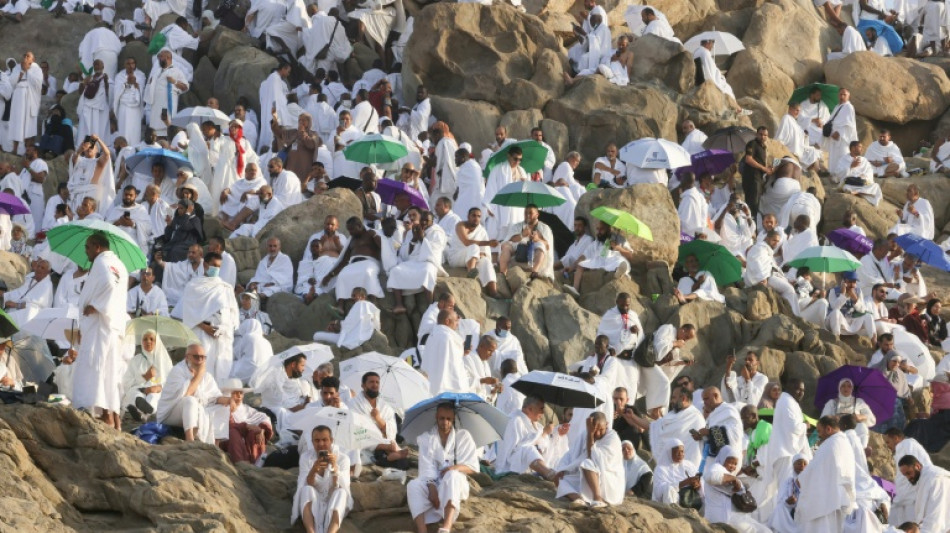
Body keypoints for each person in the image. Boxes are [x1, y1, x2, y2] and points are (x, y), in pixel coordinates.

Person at [71, 233, 129, 429]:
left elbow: (110, 287)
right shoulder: (119, 264)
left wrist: (96, 305)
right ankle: (110, 415)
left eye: (87, 247)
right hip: (111, 326)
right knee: (109, 371)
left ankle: (102, 413)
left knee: (96, 367)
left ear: (97, 247)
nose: (85, 252)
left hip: (101, 325)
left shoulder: (102, 264)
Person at [407, 402, 478, 533]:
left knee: (453, 475)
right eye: (442, 418)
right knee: (413, 485)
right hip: (433, 481)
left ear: (453, 419)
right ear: (436, 417)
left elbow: (472, 467)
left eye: (448, 419)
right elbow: (425, 467)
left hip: (455, 483)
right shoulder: (426, 438)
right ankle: (422, 530)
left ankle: (446, 527)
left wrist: (454, 468)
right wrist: (431, 486)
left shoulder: (463, 436)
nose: (445, 422)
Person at [177, 252, 240, 385]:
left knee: (221, 369)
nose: (216, 269)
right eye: (214, 265)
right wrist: (206, 327)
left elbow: (233, 313)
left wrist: (224, 328)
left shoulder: (225, 288)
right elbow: (188, 312)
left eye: (219, 266)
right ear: (205, 265)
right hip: (201, 332)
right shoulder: (193, 286)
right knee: (202, 366)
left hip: (221, 335)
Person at [157, 342, 229, 443]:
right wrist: (199, 374)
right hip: (170, 413)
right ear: (187, 357)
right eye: (196, 356)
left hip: (195, 410)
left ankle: (216, 443)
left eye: (203, 357)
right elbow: (186, 394)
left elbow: (214, 397)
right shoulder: (178, 371)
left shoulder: (207, 376)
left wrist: (228, 400)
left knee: (224, 407)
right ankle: (190, 439)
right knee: (190, 401)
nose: (200, 360)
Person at [796, 416, 857, 532]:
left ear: (828, 429)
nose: (818, 435)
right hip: (836, 499)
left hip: (825, 501)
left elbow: (815, 469)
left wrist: (801, 479)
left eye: (819, 431)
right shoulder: (844, 443)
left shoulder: (830, 444)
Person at [554, 411, 624, 508]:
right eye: (595, 430)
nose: (598, 433)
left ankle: (597, 498)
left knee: (587, 463)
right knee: (559, 479)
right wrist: (562, 469)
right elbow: (570, 454)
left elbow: (594, 458)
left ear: (607, 425)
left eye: (601, 430)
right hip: (586, 475)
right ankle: (578, 499)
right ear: (589, 426)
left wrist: (591, 434)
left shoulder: (612, 437)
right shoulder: (584, 434)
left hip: (607, 478)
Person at [291, 425, 353, 533]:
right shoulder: (306, 457)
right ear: (312, 441)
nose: (320, 444)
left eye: (324, 440)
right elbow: (305, 483)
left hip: (333, 498)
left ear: (331, 440)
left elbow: (340, 485)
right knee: (306, 490)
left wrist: (334, 468)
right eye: (317, 440)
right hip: (315, 497)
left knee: (341, 492)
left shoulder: (343, 459)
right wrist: (314, 469)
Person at [389, 211, 447, 313]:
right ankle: (399, 304)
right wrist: (414, 239)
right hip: (412, 261)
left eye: (427, 220)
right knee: (395, 271)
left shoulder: (437, 232)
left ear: (432, 221)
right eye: (422, 220)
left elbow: (434, 252)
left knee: (427, 272)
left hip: (428, 261)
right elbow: (405, 252)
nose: (424, 222)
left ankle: (430, 305)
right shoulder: (412, 231)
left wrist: (421, 238)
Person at [321, 217, 384, 310]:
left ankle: (373, 300)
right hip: (353, 264)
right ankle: (340, 306)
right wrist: (330, 275)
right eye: (348, 230)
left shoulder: (371, 234)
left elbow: (384, 247)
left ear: (359, 226)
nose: (350, 232)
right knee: (342, 275)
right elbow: (344, 261)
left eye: (352, 229)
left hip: (370, 262)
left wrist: (375, 235)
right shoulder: (352, 240)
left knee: (367, 272)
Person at [703, 445, 771, 532]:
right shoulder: (716, 468)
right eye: (730, 462)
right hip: (723, 518)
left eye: (735, 464)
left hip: (734, 516)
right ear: (723, 458)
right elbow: (710, 477)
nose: (733, 466)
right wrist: (734, 479)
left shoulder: (728, 473)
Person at [494, 395, 559, 478]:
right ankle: (548, 473)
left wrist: (557, 433)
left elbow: (541, 443)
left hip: (525, 461)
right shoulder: (515, 420)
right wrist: (544, 434)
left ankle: (550, 471)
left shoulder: (536, 425)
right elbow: (519, 447)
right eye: (541, 409)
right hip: (509, 463)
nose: (543, 413)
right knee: (528, 450)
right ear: (529, 409)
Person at [213, 378, 273, 464]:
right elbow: (226, 426)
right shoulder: (222, 408)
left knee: (255, 433)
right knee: (233, 433)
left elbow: (263, 418)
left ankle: (257, 462)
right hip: (228, 441)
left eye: (241, 393)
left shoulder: (246, 409)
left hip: (247, 441)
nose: (239, 396)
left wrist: (261, 430)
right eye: (235, 393)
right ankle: (240, 462)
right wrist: (246, 426)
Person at [445, 207, 499, 298]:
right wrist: (489, 243)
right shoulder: (460, 225)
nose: (476, 218)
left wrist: (482, 254)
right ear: (468, 216)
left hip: (473, 257)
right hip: (456, 257)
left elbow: (485, 253)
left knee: (486, 261)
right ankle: (471, 274)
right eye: (473, 215)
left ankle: (493, 291)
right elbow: (466, 242)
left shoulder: (481, 231)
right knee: (473, 246)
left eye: (479, 216)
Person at [885, 428, 933, 526]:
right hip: (915, 494)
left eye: (888, 442)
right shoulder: (909, 445)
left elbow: (908, 474)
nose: (888, 446)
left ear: (896, 438)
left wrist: (898, 498)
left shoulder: (905, 446)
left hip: (913, 495)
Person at [745, 230, 800, 315]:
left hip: (769, 276)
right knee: (789, 290)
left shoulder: (766, 249)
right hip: (764, 278)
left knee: (789, 287)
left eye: (778, 241)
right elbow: (757, 264)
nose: (776, 243)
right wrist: (763, 278)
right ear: (767, 238)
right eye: (774, 240)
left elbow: (771, 265)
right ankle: (793, 315)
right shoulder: (759, 248)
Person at [122, 329, 173, 422]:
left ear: (157, 342)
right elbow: (127, 382)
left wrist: (160, 387)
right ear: (142, 342)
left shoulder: (164, 360)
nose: (148, 342)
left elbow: (172, 381)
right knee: (134, 394)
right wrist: (145, 377)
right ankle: (141, 409)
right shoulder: (136, 360)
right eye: (145, 339)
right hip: (140, 388)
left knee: (153, 396)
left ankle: (143, 413)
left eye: (151, 339)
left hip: (156, 389)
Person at [650, 385, 706, 467]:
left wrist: (658, 421)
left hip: (691, 466)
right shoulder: (673, 414)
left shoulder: (695, 417)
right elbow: (656, 426)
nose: (671, 401)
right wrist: (632, 417)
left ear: (683, 398)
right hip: (672, 467)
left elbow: (663, 432)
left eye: (673, 398)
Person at [482, 147, 528, 241]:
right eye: (515, 158)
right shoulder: (498, 169)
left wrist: (525, 184)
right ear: (508, 156)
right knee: (497, 237)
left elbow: (526, 191)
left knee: (514, 235)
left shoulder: (522, 171)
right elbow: (491, 187)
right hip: (500, 207)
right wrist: (490, 206)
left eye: (520, 159)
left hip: (517, 208)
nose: (517, 162)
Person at [694, 387, 744, 473]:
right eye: (703, 400)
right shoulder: (713, 415)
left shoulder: (728, 410)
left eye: (706, 399)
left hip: (729, 462)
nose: (704, 403)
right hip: (714, 461)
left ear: (716, 396)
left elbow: (735, 435)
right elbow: (713, 439)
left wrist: (709, 432)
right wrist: (702, 437)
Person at [897, 456, 950, 533]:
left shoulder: (935, 479)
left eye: (909, 473)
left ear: (917, 466)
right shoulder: (926, 479)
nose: (908, 478)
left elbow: (936, 514)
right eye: (905, 475)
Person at [143, 49, 189, 138]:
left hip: (167, 105)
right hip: (155, 106)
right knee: (155, 130)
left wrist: (174, 82)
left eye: (160, 57)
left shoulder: (176, 71)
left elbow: (185, 87)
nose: (159, 59)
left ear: (168, 58)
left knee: (167, 127)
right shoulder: (157, 72)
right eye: (158, 57)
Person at [420, 310, 466, 396]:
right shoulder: (448, 338)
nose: (458, 323)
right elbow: (453, 367)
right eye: (456, 320)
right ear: (447, 321)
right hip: (446, 390)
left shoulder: (432, 336)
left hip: (430, 387)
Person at [820, 378, 876, 447]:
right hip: (838, 431)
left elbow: (872, 418)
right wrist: (833, 418)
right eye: (843, 386)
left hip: (855, 432)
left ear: (852, 389)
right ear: (839, 388)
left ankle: (862, 450)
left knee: (862, 427)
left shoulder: (859, 402)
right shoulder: (832, 403)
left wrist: (860, 416)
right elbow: (823, 420)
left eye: (849, 386)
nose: (846, 388)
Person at [693, 39, 742, 114]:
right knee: (727, 88)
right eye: (712, 43)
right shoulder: (705, 53)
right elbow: (710, 71)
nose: (712, 46)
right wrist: (719, 75)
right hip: (707, 79)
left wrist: (717, 71)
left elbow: (709, 67)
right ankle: (737, 108)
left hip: (700, 77)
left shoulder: (697, 51)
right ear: (708, 43)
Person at [8, 52, 42, 156]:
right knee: (17, 123)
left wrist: (28, 71)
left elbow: (38, 82)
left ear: (33, 59)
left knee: (29, 125)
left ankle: (28, 151)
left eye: (28, 56)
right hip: (18, 97)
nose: (25, 58)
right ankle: (15, 149)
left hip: (30, 98)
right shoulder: (17, 67)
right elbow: (11, 81)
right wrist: (22, 71)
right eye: (24, 56)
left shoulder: (37, 69)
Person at [827, 271, 876, 341]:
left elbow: (862, 310)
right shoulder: (833, 291)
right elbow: (835, 308)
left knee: (868, 315)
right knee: (836, 313)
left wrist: (854, 298)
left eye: (854, 282)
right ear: (843, 281)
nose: (852, 285)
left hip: (851, 322)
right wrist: (842, 294)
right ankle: (836, 340)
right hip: (835, 322)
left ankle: (874, 341)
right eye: (850, 282)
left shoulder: (858, 291)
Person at [3, 258, 52, 326]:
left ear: (48, 272)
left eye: (42, 268)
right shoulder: (30, 278)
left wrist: (16, 305)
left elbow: (37, 307)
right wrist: (4, 296)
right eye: (38, 266)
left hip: (28, 314)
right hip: (15, 305)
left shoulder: (47, 286)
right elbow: (19, 292)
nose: (39, 269)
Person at [652, 437, 701, 504]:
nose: (680, 454)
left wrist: (697, 483)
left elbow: (697, 476)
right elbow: (658, 491)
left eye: (682, 451)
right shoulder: (661, 469)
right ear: (669, 453)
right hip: (674, 499)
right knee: (668, 490)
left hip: (690, 496)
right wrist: (683, 483)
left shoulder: (688, 465)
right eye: (677, 452)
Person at [775, 102, 820, 172]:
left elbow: (799, 133)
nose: (798, 113)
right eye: (796, 110)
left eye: (799, 111)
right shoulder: (786, 118)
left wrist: (804, 135)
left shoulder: (794, 121)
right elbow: (783, 133)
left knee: (814, 152)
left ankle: (811, 173)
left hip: (798, 146)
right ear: (790, 109)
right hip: (790, 146)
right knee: (813, 152)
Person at [834, 141, 882, 206]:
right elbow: (838, 174)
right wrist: (851, 166)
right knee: (846, 187)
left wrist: (863, 176)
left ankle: (857, 192)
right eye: (860, 147)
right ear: (853, 148)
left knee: (876, 186)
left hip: (862, 183)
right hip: (850, 183)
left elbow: (869, 172)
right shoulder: (843, 159)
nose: (861, 149)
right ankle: (861, 192)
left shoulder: (864, 160)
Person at [741, 127, 772, 221]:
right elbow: (748, 159)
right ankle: (751, 228)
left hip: (758, 178)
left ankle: (752, 227)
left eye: (765, 135)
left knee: (756, 205)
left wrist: (767, 169)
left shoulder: (763, 147)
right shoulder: (752, 144)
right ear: (756, 134)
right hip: (752, 178)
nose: (763, 137)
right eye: (761, 134)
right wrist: (763, 168)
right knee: (752, 205)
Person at [825, 88, 858, 171]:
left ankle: (843, 174)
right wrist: (832, 132)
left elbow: (849, 124)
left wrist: (839, 133)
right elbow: (832, 120)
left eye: (844, 95)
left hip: (843, 137)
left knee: (843, 155)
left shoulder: (849, 107)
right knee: (833, 156)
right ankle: (833, 173)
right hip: (833, 135)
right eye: (840, 94)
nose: (842, 96)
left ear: (848, 96)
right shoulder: (837, 106)